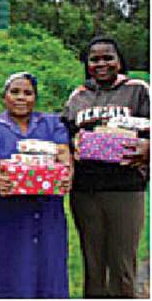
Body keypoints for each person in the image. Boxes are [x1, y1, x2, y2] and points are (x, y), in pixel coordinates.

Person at [62, 36, 149, 298]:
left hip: (125, 187)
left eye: (108, 57)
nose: (101, 64)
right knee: (93, 261)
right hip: (85, 189)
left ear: (120, 61)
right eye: (94, 59)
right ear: (87, 64)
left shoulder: (138, 89)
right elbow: (64, 135)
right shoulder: (78, 96)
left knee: (122, 262)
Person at [0, 72, 72, 298]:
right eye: (14, 92)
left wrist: (66, 174)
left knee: (49, 263)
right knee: (6, 264)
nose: (21, 97)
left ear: (35, 98)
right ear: (4, 96)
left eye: (27, 93)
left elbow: (64, 153)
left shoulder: (51, 124)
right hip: (7, 211)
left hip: (46, 210)